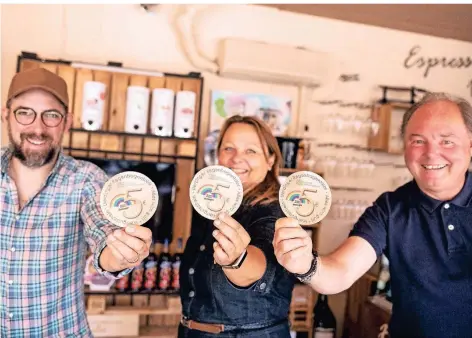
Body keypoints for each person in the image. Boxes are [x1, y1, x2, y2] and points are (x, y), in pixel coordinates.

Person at [273, 92, 472, 338]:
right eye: (418, 141)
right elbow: (341, 271)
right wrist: (307, 264)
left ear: (470, 145)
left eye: (447, 141)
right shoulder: (390, 208)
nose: (431, 153)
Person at [0, 67, 153, 337]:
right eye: (24, 112)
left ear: (67, 122)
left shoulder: (86, 179)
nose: (37, 127)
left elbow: (103, 229)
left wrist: (119, 253)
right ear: (5, 115)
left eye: (51, 115)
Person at [179, 115, 296, 337]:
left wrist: (238, 259)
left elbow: (262, 267)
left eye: (250, 151)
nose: (236, 159)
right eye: (228, 148)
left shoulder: (274, 211)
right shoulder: (213, 205)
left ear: (270, 159)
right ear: (218, 155)